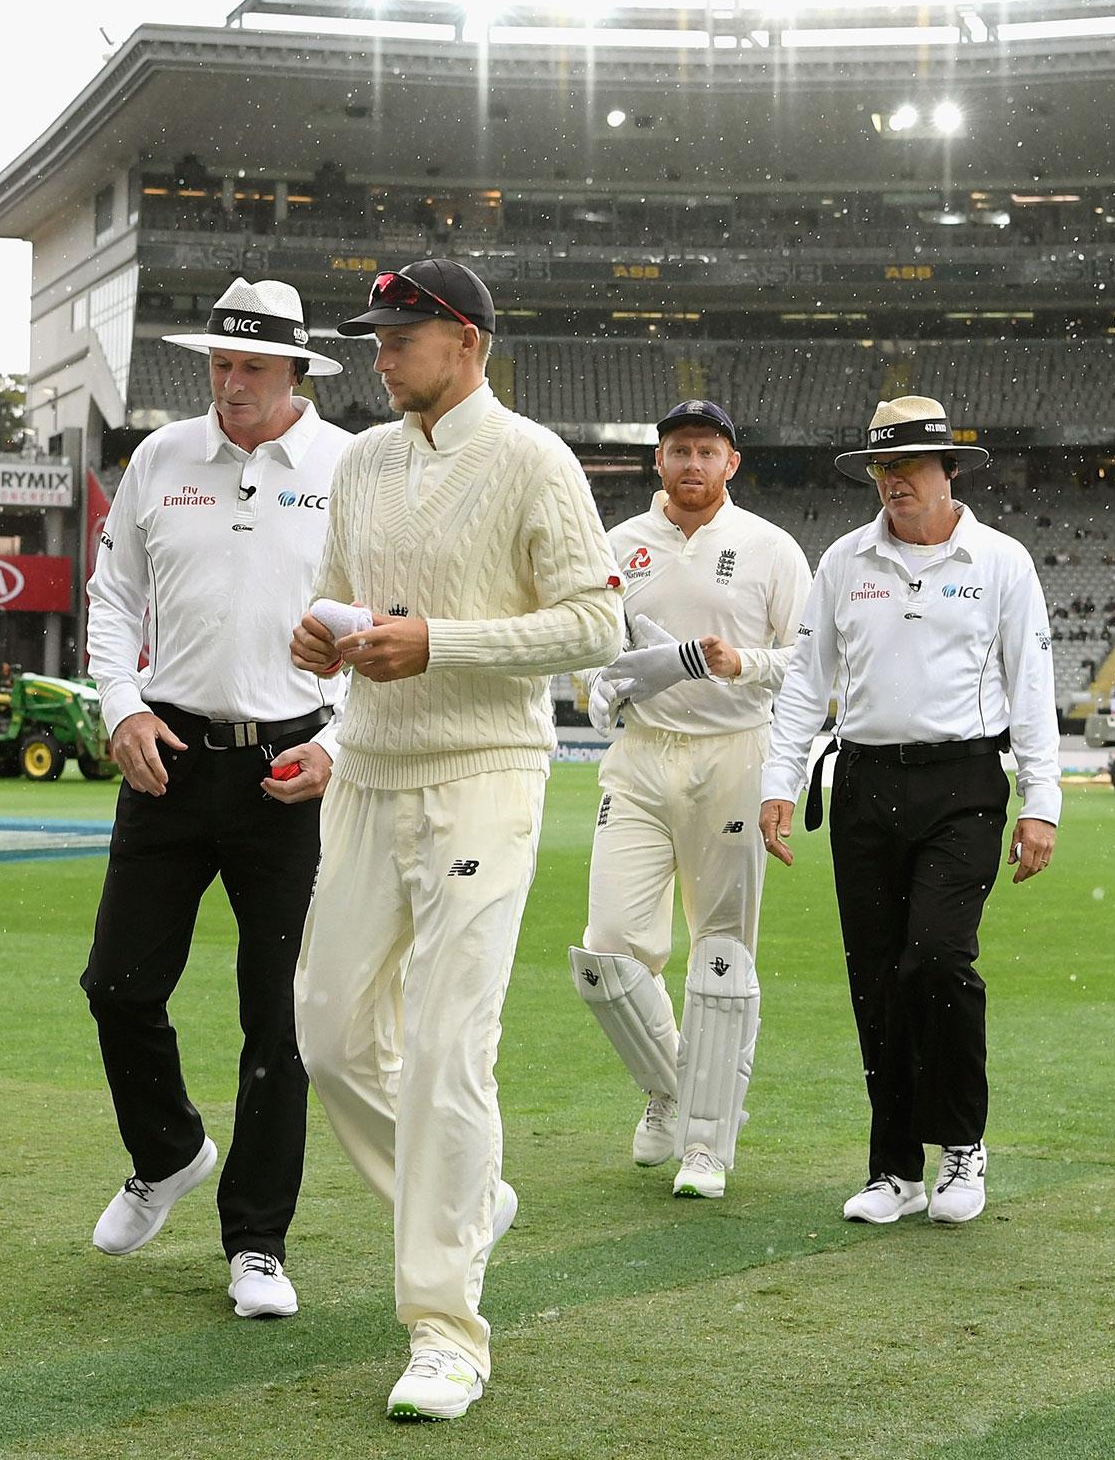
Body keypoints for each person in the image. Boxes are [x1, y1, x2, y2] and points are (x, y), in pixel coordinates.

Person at [288, 260, 623, 1422]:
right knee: (328, 1035)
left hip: (486, 775)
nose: (380, 357)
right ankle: (471, 1197)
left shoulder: (532, 459)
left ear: (466, 341)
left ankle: (445, 1329)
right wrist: (325, 648)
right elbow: (342, 597)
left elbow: (594, 620)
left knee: (443, 1044)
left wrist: (441, 646)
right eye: (375, 339)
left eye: (400, 337)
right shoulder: (363, 462)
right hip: (370, 774)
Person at [80, 278, 353, 1320]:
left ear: (295, 373)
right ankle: (168, 1152)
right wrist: (119, 707)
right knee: (117, 986)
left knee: (276, 1021)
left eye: (249, 368)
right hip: (167, 757)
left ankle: (258, 1246)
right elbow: (112, 600)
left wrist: (342, 739)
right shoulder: (159, 458)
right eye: (217, 365)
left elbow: (385, 622)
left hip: (292, 770)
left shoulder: (348, 468)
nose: (229, 384)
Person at [758, 397, 1061, 1230]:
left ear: (949, 471)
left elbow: (1032, 689)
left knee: (936, 959)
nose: (894, 483)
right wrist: (776, 783)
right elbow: (803, 685)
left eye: (911, 467)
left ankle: (962, 1144)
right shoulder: (843, 561)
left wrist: (1044, 803)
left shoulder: (1001, 562)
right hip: (860, 784)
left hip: (963, 785)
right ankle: (893, 1168)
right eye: (882, 469)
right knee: (877, 978)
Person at [570, 399, 811, 1200]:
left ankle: (707, 1143)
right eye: (679, 450)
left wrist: (741, 663)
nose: (692, 465)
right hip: (640, 756)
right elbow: (589, 651)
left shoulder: (770, 547)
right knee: (607, 951)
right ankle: (675, 1089)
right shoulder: (619, 548)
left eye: (707, 451)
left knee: (721, 953)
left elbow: (812, 666)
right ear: (658, 461)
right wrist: (597, 696)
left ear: (731, 463)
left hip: (734, 752)